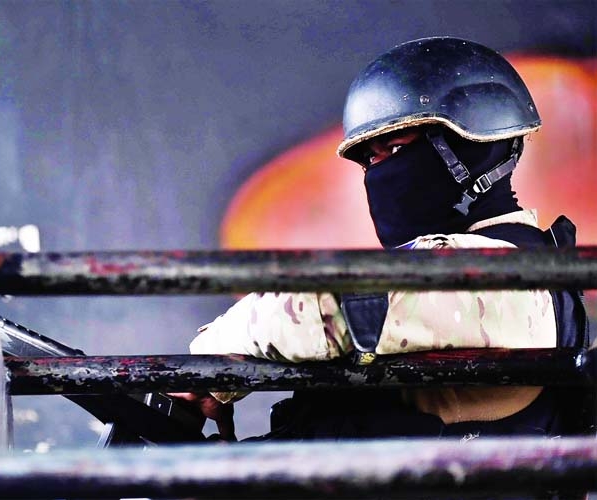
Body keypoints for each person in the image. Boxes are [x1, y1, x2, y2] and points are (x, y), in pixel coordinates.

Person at [173, 37, 589, 442]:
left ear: (472, 147)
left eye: (394, 148)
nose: (379, 172)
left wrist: (209, 364)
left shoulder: (510, 275)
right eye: (371, 158)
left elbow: (330, 305)